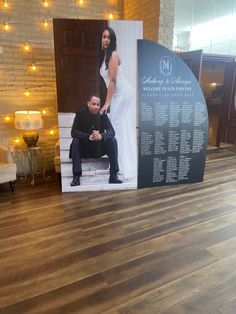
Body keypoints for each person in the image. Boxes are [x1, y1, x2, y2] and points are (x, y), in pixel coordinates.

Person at [99, 26, 137, 180]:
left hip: (123, 93)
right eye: (104, 37)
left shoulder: (113, 55)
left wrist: (107, 103)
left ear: (112, 40)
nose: (106, 40)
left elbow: (113, 81)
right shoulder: (105, 56)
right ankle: (117, 163)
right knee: (118, 129)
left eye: (109, 37)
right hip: (117, 95)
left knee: (115, 127)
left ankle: (122, 167)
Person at [69, 95, 123, 186]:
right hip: (85, 149)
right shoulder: (80, 113)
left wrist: (101, 136)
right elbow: (73, 132)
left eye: (98, 104)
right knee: (75, 141)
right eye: (93, 104)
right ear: (88, 104)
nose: (96, 107)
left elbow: (111, 131)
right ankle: (76, 176)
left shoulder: (102, 114)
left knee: (113, 140)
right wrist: (88, 136)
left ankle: (113, 175)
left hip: (98, 149)